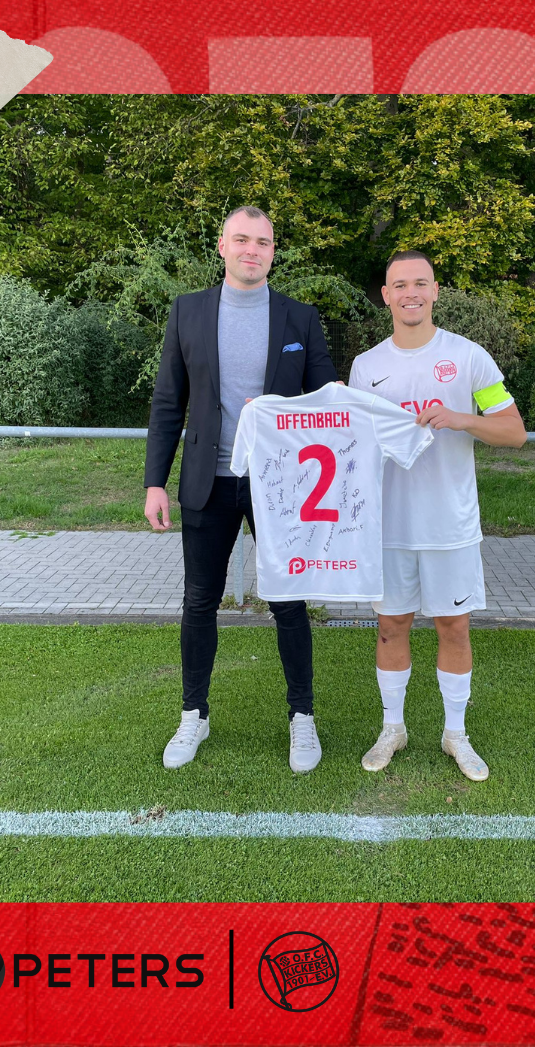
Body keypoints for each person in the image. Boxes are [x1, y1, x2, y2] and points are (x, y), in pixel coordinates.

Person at [144, 206, 338, 772]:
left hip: (279, 486)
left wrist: (279, 410)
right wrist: (155, 481)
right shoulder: (188, 311)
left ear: (274, 251)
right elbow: (168, 402)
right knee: (199, 602)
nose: (253, 250)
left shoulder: (300, 317)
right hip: (208, 481)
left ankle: (302, 716)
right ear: (222, 246)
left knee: (288, 602)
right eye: (242, 240)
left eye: (264, 242)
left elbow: (325, 401)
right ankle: (193, 714)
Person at [348, 250, 527, 781]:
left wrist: (461, 419)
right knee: (390, 627)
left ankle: (455, 734)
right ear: (386, 295)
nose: (411, 293)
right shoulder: (366, 366)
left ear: (435, 291)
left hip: (450, 524)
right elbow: (351, 442)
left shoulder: (468, 357)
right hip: (388, 526)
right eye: (400, 285)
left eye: (420, 283)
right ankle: (393, 728)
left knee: (454, 627)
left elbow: (514, 431)